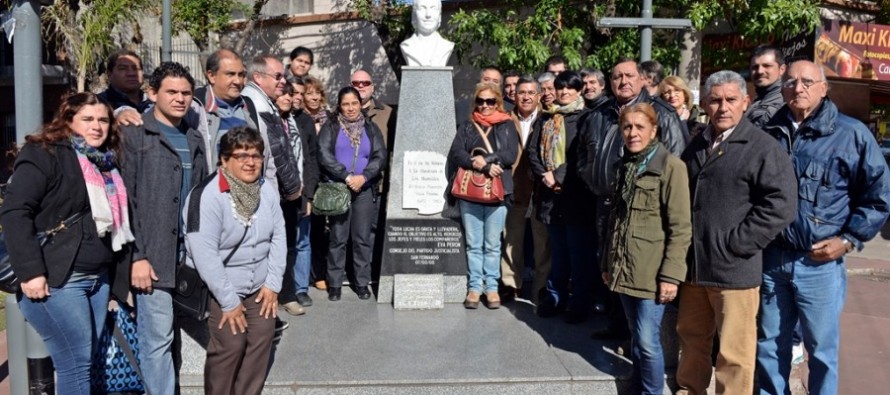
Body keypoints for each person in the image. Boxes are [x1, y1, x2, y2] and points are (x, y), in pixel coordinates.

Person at [756, 60, 890, 395]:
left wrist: (848, 239)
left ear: (823, 87)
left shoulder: (850, 134)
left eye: (806, 81)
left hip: (820, 264)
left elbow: (878, 196)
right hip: (772, 259)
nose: (797, 88)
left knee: (821, 353)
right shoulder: (767, 132)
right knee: (769, 347)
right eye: (790, 82)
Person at [1, 92, 134, 394]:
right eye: (87, 119)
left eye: (103, 119)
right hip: (59, 280)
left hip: (97, 280)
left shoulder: (106, 162)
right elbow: (15, 211)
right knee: (75, 363)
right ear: (68, 121)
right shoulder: (45, 153)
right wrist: (30, 272)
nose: (97, 126)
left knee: (88, 361)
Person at [675, 70, 797, 395]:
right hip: (695, 269)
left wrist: (737, 243)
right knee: (692, 344)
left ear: (746, 102)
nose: (723, 107)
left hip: (734, 271)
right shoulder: (697, 144)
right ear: (704, 103)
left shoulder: (762, 147)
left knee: (733, 354)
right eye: (715, 100)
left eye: (731, 99)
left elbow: (781, 205)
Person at [581, 58, 689, 340]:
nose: (623, 81)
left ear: (643, 79)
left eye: (629, 75)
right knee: (612, 265)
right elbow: (583, 154)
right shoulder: (600, 114)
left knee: (639, 272)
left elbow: (677, 155)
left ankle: (637, 341)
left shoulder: (661, 113)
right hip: (606, 204)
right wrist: (594, 182)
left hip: (646, 210)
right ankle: (618, 327)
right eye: (617, 77)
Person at [121, 62, 209, 395]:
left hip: (189, 259)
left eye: (186, 93)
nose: (180, 98)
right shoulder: (134, 134)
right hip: (152, 258)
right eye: (171, 92)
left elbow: (199, 197)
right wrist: (137, 257)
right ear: (153, 93)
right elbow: (125, 202)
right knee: (157, 341)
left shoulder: (194, 136)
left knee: (178, 337)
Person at [183, 126, 286, 395]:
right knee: (230, 344)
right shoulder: (207, 195)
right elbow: (204, 253)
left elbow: (279, 236)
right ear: (224, 160)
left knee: (263, 337)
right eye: (241, 155)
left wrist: (273, 283)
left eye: (255, 155)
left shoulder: (266, 190)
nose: (250, 162)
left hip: (259, 285)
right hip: (220, 286)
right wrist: (229, 302)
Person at [602, 102, 691, 395]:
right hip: (625, 268)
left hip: (652, 272)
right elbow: (615, 221)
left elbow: (680, 227)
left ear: (654, 130)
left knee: (648, 340)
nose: (632, 133)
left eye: (640, 127)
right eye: (627, 127)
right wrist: (608, 264)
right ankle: (639, 388)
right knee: (638, 338)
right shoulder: (623, 167)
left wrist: (671, 276)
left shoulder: (670, 167)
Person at [527, 71, 594, 323]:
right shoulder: (547, 118)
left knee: (579, 254)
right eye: (560, 88)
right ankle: (555, 298)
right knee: (558, 252)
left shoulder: (587, 117)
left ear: (578, 91)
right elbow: (533, 150)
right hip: (550, 198)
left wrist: (558, 175)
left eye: (570, 88)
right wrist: (545, 174)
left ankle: (578, 303)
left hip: (576, 195)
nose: (564, 92)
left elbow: (581, 154)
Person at [448, 82, 519, 309]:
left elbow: (510, 154)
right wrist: (476, 164)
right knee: (473, 244)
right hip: (470, 194)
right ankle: (474, 288)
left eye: (490, 101)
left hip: (498, 194)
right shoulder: (468, 126)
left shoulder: (506, 124)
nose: (485, 105)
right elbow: (456, 153)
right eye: (480, 101)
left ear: (498, 102)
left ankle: (492, 288)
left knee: (492, 244)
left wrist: (486, 161)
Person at [317, 87, 388, 301]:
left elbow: (379, 156)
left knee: (362, 239)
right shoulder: (331, 126)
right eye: (345, 104)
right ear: (340, 105)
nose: (350, 108)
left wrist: (364, 177)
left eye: (354, 103)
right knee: (338, 238)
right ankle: (336, 283)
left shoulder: (371, 127)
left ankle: (362, 282)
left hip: (364, 190)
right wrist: (347, 177)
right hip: (339, 188)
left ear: (360, 104)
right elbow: (324, 154)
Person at [500, 77, 551, 303]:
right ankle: (511, 284)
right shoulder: (504, 119)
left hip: (542, 189)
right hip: (515, 187)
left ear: (539, 95)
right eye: (522, 92)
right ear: (515, 95)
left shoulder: (549, 119)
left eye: (531, 92)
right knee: (511, 239)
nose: (526, 97)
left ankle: (541, 288)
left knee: (543, 244)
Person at [277, 76, 320, 313]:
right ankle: (282, 289)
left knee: (300, 242)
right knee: (279, 243)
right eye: (291, 93)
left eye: (299, 94)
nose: (296, 98)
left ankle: (298, 289)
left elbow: (311, 158)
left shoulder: (302, 121)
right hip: (279, 194)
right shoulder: (274, 120)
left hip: (302, 192)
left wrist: (310, 195)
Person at [241, 54, 302, 200]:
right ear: (258, 77)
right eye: (278, 76)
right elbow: (276, 151)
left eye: (283, 76)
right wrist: (292, 187)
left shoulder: (262, 101)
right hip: (264, 192)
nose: (283, 81)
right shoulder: (256, 104)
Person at [192, 48, 252, 167]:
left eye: (241, 75)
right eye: (230, 74)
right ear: (212, 76)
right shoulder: (195, 106)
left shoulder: (249, 106)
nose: (237, 81)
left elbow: (267, 156)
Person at [304, 75, 334, 292]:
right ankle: (317, 273)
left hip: (329, 179)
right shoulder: (300, 119)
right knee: (313, 230)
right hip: (309, 180)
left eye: (317, 93)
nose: (314, 97)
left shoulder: (330, 118)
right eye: (309, 93)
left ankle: (330, 271)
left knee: (331, 230)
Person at [399, 0, 454, 66]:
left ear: (439, 16)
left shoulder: (447, 46)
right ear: (414, 15)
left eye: (433, 8)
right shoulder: (406, 46)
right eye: (422, 8)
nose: (428, 15)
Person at [746, 44, 786, 128]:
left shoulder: (782, 105)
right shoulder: (760, 99)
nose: (760, 71)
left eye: (767, 66)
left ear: (782, 69)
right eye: (755, 67)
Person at [99, 49, 151, 113]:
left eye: (136, 68)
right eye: (123, 69)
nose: (131, 73)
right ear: (109, 74)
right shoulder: (98, 103)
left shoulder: (155, 103)